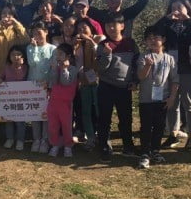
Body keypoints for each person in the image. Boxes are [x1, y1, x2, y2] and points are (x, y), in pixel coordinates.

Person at [155, 0, 191, 151]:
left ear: (187, 8)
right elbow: (154, 33)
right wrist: (165, 18)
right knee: (171, 102)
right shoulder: (167, 25)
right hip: (171, 69)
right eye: (173, 8)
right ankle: (173, 134)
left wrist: (189, 20)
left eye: (180, 7)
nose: (177, 11)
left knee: (189, 104)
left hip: (188, 68)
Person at [95, 13, 139, 162]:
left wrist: (135, 81)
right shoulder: (103, 46)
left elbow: (136, 65)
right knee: (105, 118)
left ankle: (128, 145)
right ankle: (104, 147)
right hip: (106, 86)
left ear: (122, 26)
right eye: (108, 25)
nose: (112, 28)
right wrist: (107, 55)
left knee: (126, 118)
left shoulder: (131, 43)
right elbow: (100, 70)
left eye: (115, 25)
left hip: (124, 87)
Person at [136, 25, 179, 169]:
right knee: (146, 127)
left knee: (159, 126)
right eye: (149, 39)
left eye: (156, 38)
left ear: (164, 40)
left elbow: (174, 80)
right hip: (146, 99)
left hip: (163, 99)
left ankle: (155, 150)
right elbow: (141, 77)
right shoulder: (143, 57)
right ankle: (144, 153)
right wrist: (148, 66)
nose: (152, 41)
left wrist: (172, 97)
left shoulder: (170, 59)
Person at [26, 21, 56, 153]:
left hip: (46, 86)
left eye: (39, 32)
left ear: (46, 32)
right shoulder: (30, 48)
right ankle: (36, 139)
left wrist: (50, 84)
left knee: (46, 115)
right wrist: (34, 48)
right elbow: (32, 63)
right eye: (34, 33)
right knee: (35, 114)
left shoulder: (52, 49)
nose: (37, 35)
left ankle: (45, 140)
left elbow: (53, 69)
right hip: (33, 85)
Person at [73, 18, 103, 150]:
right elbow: (76, 62)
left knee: (99, 109)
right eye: (79, 29)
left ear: (91, 29)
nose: (81, 31)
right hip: (84, 81)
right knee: (85, 110)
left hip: (97, 80)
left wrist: (90, 41)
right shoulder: (77, 44)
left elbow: (101, 57)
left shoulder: (99, 40)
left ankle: (102, 136)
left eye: (84, 28)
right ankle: (90, 137)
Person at [47, 43, 79, 158]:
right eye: (57, 54)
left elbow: (66, 82)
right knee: (53, 125)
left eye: (61, 54)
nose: (58, 56)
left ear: (68, 56)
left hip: (66, 103)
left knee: (66, 126)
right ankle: (54, 144)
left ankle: (68, 146)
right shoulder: (55, 67)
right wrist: (55, 69)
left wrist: (64, 69)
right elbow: (54, 81)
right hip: (53, 101)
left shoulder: (73, 69)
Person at [0, 45, 29, 151]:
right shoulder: (6, 67)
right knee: (9, 120)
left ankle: (20, 140)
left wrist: (19, 67)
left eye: (18, 54)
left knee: (20, 122)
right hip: (9, 100)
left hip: (22, 100)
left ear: (23, 56)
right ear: (9, 56)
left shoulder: (26, 68)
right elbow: (1, 78)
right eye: (13, 54)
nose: (16, 57)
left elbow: (26, 79)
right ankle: (10, 139)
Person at [0, 4, 29, 83]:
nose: (7, 16)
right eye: (4, 13)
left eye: (10, 13)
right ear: (0, 15)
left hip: (14, 71)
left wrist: (16, 23)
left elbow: (26, 40)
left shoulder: (17, 30)